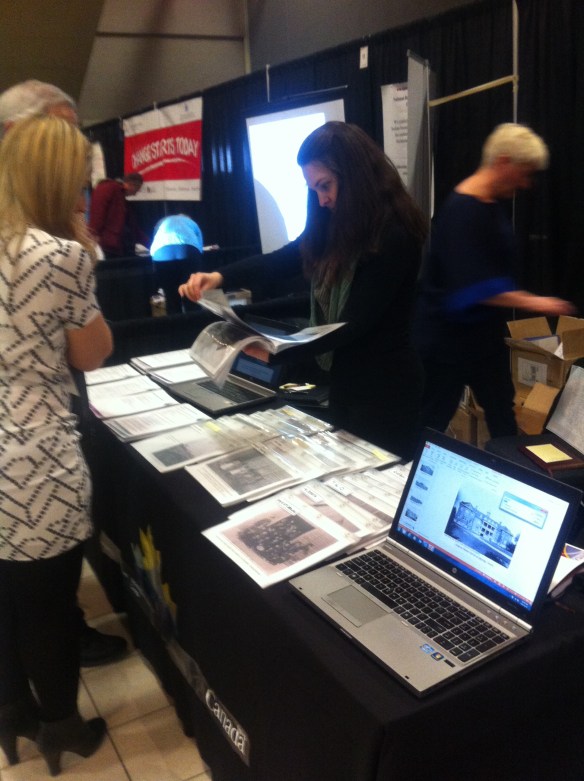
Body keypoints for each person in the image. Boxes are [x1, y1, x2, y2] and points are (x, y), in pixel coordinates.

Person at [179, 121, 428, 458]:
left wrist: (276, 351)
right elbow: (289, 257)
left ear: (355, 177)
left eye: (326, 185)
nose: (322, 199)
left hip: (385, 391)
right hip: (346, 383)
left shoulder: (394, 233)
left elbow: (353, 326)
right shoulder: (338, 221)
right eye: (314, 189)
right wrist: (220, 276)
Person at [0, 79, 128, 669]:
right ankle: (57, 710)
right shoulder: (58, 252)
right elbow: (90, 353)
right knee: (43, 594)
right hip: (36, 450)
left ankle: (18, 713)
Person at [414, 123, 577, 439]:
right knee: (431, 420)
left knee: (503, 416)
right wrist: (535, 301)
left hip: (482, 339)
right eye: (524, 172)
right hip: (447, 343)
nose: (526, 183)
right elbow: (473, 287)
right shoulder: (462, 211)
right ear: (503, 162)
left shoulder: (489, 206)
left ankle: (508, 479)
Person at [150, 214, 204, 313]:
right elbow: (199, 246)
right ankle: (196, 326)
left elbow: (154, 240)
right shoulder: (192, 223)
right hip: (188, 251)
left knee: (171, 298)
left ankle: (175, 326)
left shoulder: (162, 222)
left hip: (161, 254)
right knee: (191, 294)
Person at [89, 172, 147, 257]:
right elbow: (97, 214)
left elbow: (133, 227)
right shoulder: (109, 188)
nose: (136, 193)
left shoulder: (119, 195)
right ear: (131, 184)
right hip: (108, 246)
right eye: (137, 189)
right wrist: (93, 236)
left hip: (114, 245)